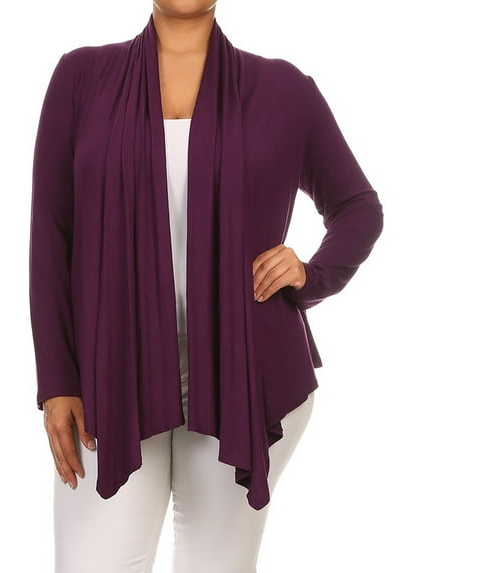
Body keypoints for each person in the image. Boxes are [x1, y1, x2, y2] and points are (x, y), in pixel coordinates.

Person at [29, 2, 384, 572]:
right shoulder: (81, 77)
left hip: (241, 375)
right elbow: (51, 233)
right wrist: (57, 381)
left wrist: (310, 274)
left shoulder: (284, 89)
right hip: (111, 376)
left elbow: (358, 208)